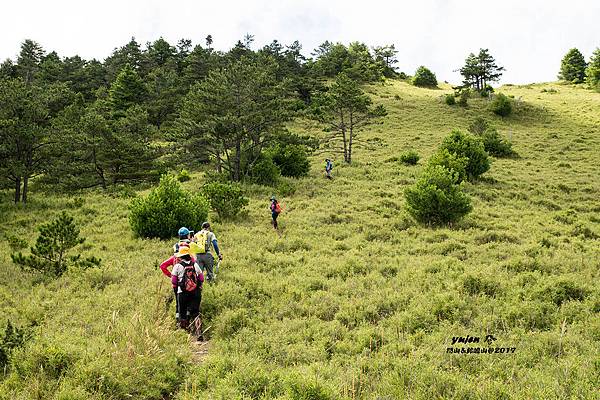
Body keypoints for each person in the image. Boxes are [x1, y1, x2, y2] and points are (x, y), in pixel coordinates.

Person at [171, 246, 204, 340]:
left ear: (181, 256)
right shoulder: (195, 264)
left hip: (182, 293)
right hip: (195, 292)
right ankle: (199, 333)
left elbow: (173, 281)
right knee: (196, 313)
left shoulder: (177, 266)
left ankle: (186, 336)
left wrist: (180, 285)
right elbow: (201, 278)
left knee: (183, 313)